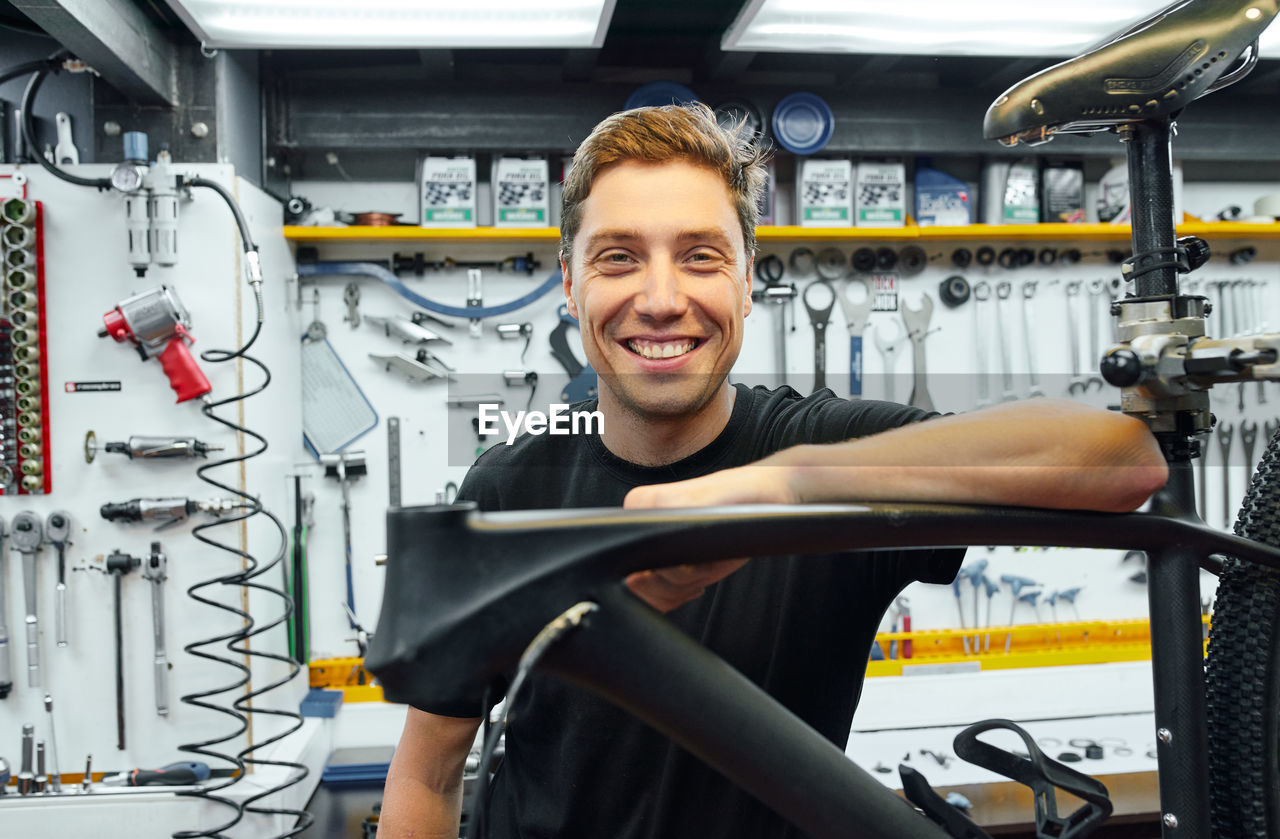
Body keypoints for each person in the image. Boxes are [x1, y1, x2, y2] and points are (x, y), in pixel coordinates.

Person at [380, 103, 1168, 839]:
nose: (661, 298)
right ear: (570, 280)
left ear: (748, 277)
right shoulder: (509, 486)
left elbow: (1121, 460)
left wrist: (784, 485)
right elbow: (428, 766)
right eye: (619, 257)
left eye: (701, 256)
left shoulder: (824, 451)